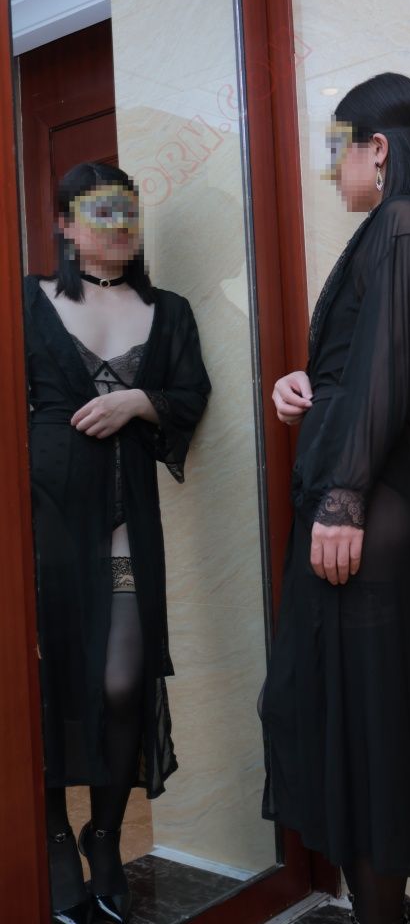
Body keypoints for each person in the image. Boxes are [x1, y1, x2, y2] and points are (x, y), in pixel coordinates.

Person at [260, 73, 410, 924]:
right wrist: (307, 385)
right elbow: (365, 363)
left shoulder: (407, 224)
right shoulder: (390, 229)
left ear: (377, 149)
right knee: (324, 711)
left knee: (369, 729)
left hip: (364, 509)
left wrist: (342, 498)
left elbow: (391, 375)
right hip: (352, 496)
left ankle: (383, 917)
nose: (329, 171)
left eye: (335, 151)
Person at [23, 162, 211, 924]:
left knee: (123, 680)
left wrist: (139, 401)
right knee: (42, 688)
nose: (118, 224)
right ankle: (51, 839)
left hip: (126, 518)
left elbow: (191, 396)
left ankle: (104, 834)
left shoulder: (169, 311)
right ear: (65, 225)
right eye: (99, 212)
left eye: (127, 211)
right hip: (40, 526)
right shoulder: (26, 300)